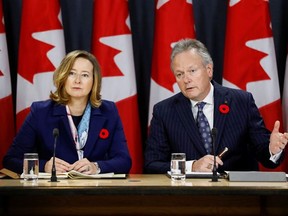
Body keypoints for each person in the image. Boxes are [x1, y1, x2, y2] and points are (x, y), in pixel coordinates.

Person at [144, 38, 288, 174]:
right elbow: (152, 164)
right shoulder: (164, 111)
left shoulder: (241, 102)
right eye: (179, 74)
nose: (186, 80)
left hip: (237, 196)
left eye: (192, 71)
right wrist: (192, 166)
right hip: (188, 196)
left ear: (209, 70)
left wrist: (272, 150)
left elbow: (263, 153)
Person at [3, 50, 132, 175]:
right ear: (63, 77)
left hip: (94, 191)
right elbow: (11, 160)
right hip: (52, 192)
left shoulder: (108, 111)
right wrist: (44, 166)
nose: (77, 80)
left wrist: (96, 167)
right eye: (71, 73)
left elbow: (124, 161)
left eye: (85, 75)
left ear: (94, 81)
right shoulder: (40, 112)